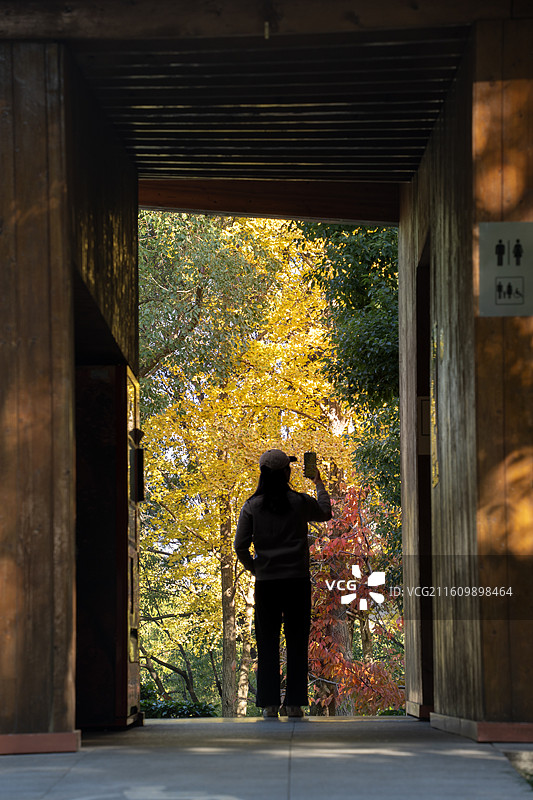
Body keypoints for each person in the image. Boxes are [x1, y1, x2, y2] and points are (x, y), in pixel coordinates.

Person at [234, 448, 332, 718]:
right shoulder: (300, 502)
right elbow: (325, 512)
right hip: (297, 583)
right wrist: (318, 482)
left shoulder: (251, 507)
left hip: (267, 584)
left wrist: (256, 568)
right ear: (286, 473)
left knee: (267, 642)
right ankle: (294, 704)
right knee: (297, 641)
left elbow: (240, 546)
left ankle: (269, 704)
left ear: (263, 475)